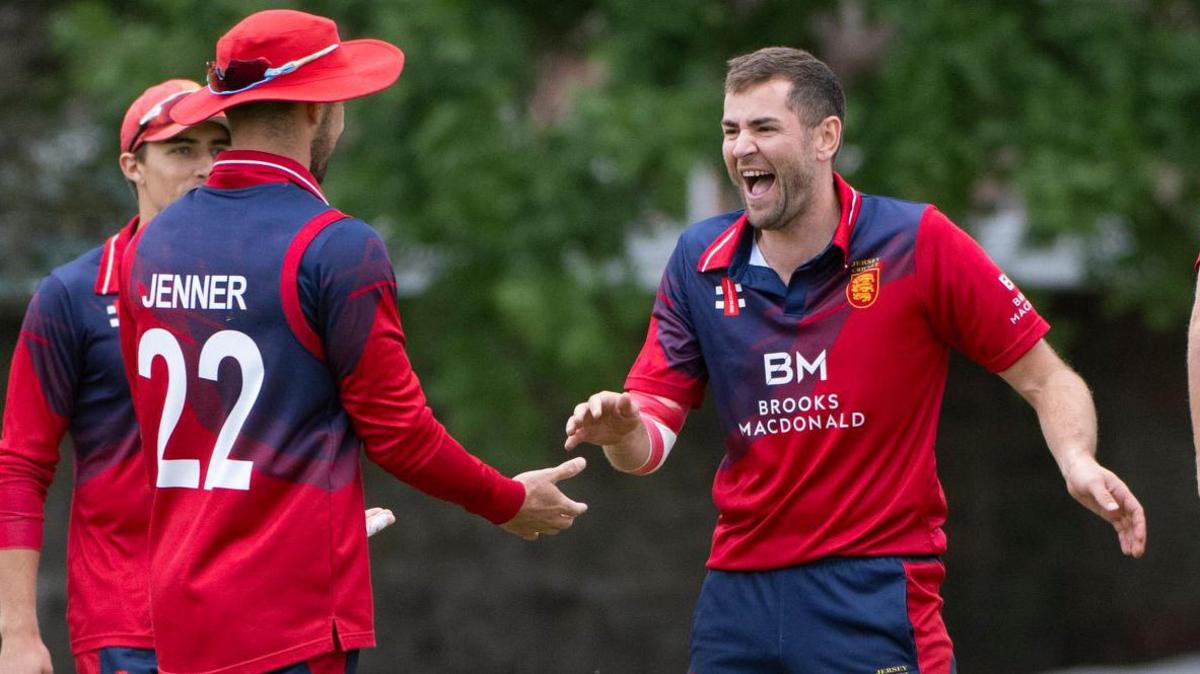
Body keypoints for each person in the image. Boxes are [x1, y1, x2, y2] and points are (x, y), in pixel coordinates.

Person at [564, 47, 1146, 674]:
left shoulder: (915, 241)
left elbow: (1048, 378)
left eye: (764, 128)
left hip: (873, 590)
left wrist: (1076, 458)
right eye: (732, 131)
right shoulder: (698, 259)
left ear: (826, 137)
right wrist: (621, 433)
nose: (740, 149)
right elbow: (650, 441)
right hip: (737, 597)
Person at [116, 9, 587, 673]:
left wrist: (321, 516)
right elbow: (401, 434)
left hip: (182, 616)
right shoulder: (338, 246)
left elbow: (174, 432)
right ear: (320, 109)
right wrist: (508, 501)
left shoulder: (151, 245)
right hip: (293, 620)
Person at [0, 79, 231, 674]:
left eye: (220, 148)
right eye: (182, 150)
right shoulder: (71, 296)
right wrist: (18, 634)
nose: (206, 167)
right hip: (129, 621)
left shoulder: (266, 283)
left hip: (250, 616)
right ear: (133, 165)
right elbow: (21, 466)